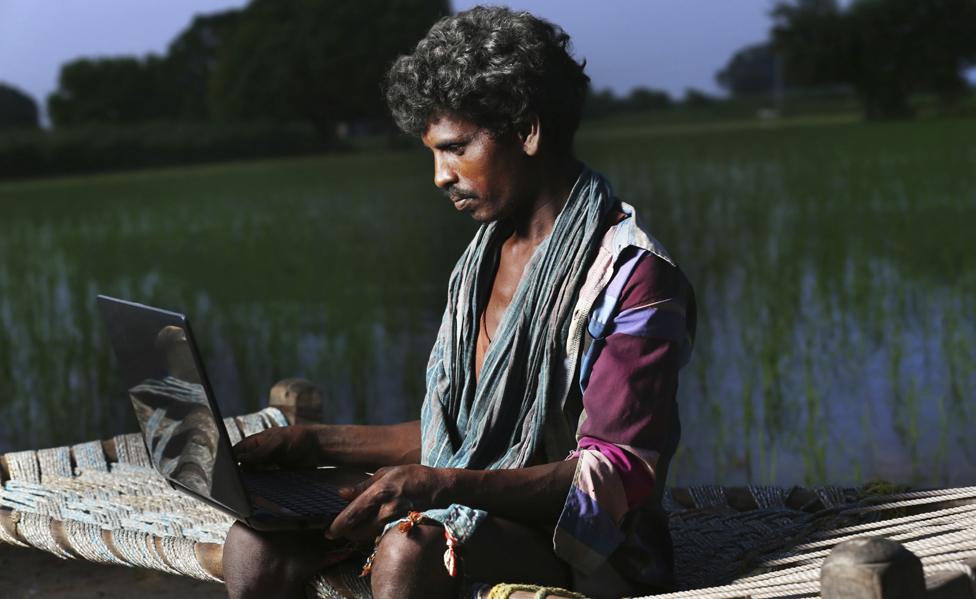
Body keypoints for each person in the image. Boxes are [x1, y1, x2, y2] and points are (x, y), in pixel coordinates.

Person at [222, 6, 695, 599]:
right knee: (256, 541)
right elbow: (463, 438)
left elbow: (612, 476)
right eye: (433, 154)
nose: (440, 175)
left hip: (593, 547)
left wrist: (441, 488)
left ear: (527, 130)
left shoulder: (633, 276)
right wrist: (310, 444)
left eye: (455, 148)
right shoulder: (480, 263)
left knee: (410, 550)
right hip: (470, 508)